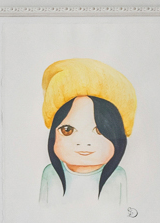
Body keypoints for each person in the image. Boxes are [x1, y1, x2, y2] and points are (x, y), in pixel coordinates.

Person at [38, 57, 134, 207]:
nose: (84, 142)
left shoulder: (117, 176)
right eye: (68, 130)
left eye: (99, 131)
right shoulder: (50, 174)